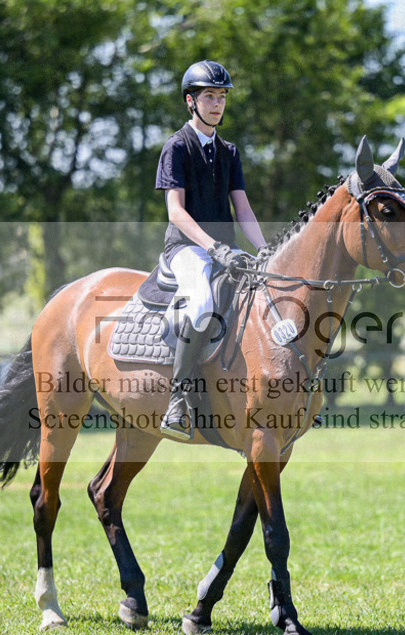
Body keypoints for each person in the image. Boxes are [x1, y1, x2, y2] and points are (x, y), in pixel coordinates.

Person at [155, 59, 267, 441]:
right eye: (209, 96)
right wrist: (214, 248)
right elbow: (176, 212)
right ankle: (177, 398)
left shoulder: (230, 152)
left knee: (267, 297)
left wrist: (266, 250)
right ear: (191, 101)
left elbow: (244, 209)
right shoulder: (176, 147)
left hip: (227, 253)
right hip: (186, 250)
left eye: (221, 96)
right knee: (202, 302)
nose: (217, 103)